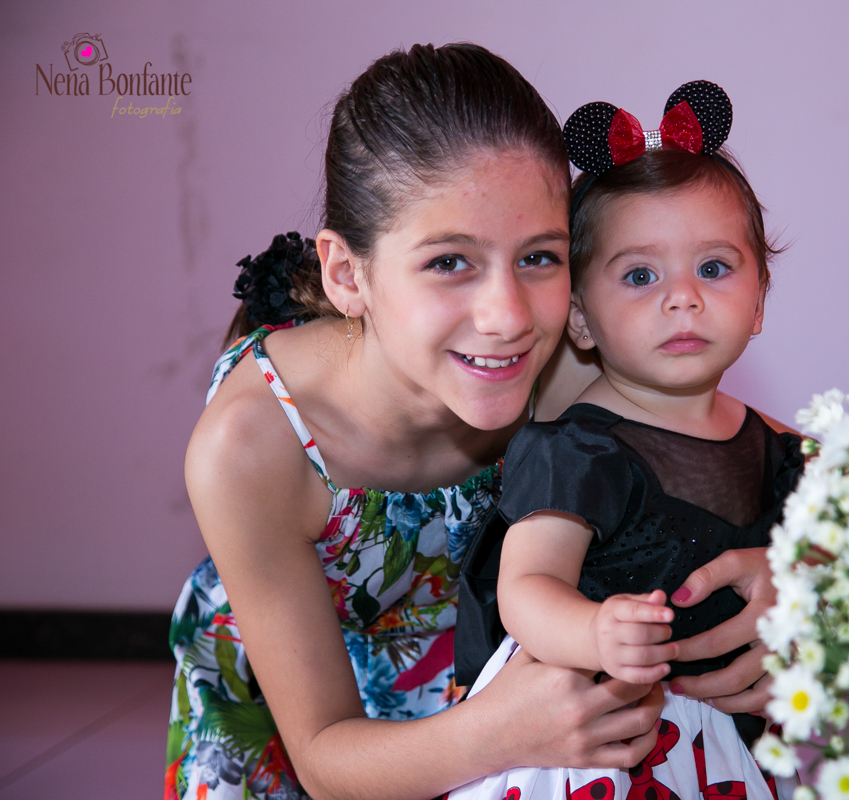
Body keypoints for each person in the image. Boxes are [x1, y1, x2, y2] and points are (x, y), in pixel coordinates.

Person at [166, 46, 781, 800]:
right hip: (323, 742)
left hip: (521, 706)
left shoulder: (563, 359)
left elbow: (774, 455)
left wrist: (794, 568)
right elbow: (324, 762)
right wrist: (498, 731)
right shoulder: (252, 447)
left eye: (539, 257)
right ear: (348, 274)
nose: (507, 317)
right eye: (450, 262)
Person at [449, 82, 803, 800]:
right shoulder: (577, 450)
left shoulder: (772, 447)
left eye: (714, 268)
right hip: (602, 735)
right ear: (580, 318)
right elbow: (526, 588)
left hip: (729, 744)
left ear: (760, 300)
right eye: (640, 275)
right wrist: (593, 632)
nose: (683, 296)